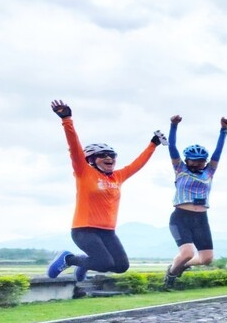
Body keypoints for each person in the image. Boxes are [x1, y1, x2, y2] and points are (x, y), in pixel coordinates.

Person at [47, 100, 166, 281]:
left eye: (112, 155)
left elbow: (138, 164)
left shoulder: (118, 176)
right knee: (103, 263)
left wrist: (153, 143)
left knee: (121, 266)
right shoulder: (83, 172)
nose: (109, 158)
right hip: (84, 230)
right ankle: (68, 258)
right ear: (91, 160)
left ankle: (85, 265)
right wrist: (66, 119)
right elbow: (74, 148)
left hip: (108, 231)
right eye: (103, 155)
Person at [163, 114, 227, 289]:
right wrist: (173, 125)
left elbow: (218, 152)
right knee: (187, 253)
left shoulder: (209, 172)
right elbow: (172, 147)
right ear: (187, 160)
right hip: (181, 217)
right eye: (194, 160)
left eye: (201, 161)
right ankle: (171, 274)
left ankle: (183, 265)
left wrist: (224, 130)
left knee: (207, 259)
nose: (198, 164)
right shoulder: (180, 169)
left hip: (201, 219)